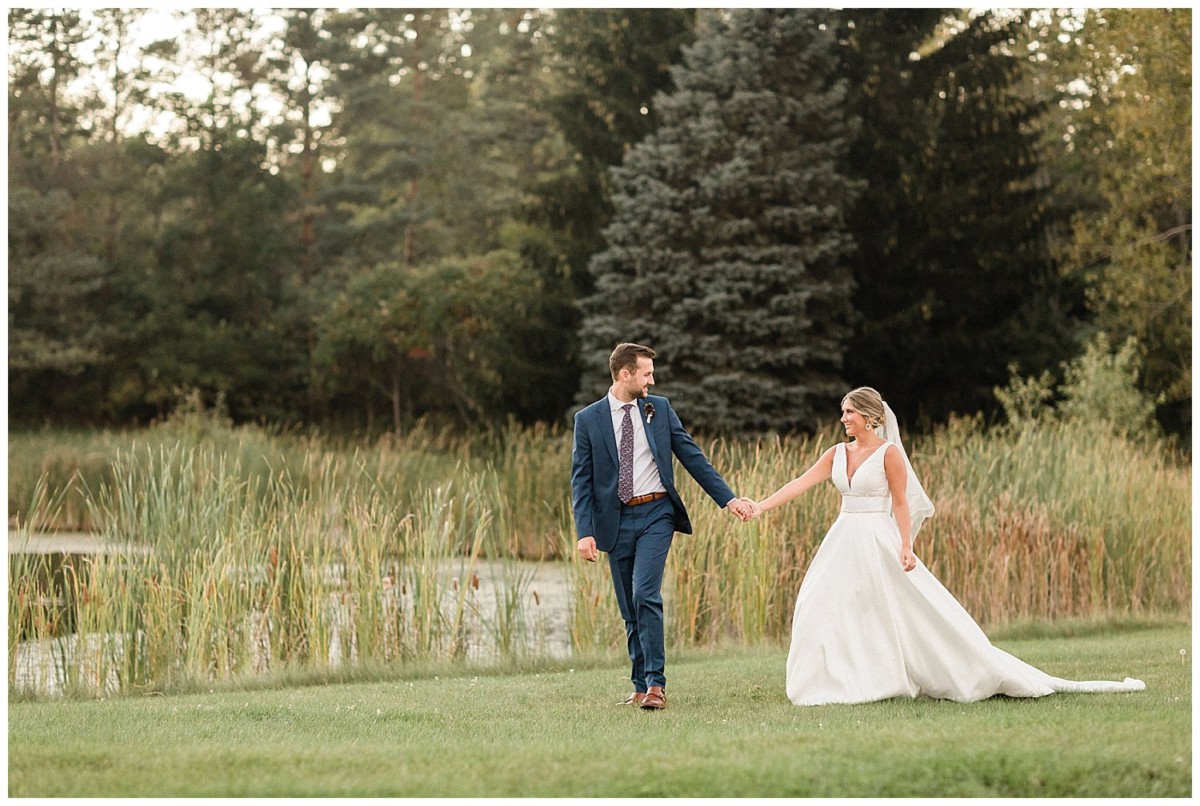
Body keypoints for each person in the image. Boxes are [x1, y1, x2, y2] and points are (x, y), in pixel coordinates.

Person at [745, 386, 1145, 706]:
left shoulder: (889, 455)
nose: (843, 418)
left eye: (849, 411)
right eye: (843, 411)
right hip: (842, 538)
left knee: (900, 609)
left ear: (869, 416)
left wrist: (906, 545)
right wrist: (760, 506)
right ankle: (832, 682)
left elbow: (901, 502)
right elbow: (800, 483)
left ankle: (945, 669)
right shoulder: (835, 453)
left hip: (878, 539)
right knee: (821, 603)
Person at [572, 342, 754, 710]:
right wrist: (584, 531)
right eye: (646, 373)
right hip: (615, 521)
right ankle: (639, 685)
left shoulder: (660, 409)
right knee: (628, 607)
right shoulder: (588, 419)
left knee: (645, 594)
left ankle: (657, 684)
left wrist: (729, 499)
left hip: (657, 514)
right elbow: (581, 480)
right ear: (625, 374)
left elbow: (692, 457)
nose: (652, 380)